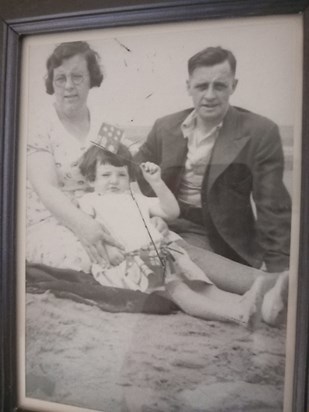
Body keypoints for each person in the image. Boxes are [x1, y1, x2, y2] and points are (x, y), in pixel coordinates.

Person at [135, 46, 291, 284]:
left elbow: (273, 209)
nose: (209, 95)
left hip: (221, 235)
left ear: (233, 86)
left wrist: (281, 271)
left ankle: (268, 285)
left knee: (172, 258)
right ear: (189, 87)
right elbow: (136, 173)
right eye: (201, 86)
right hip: (168, 222)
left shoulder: (260, 132)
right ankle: (258, 286)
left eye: (219, 85)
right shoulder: (164, 127)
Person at [77, 142, 266, 328]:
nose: (114, 180)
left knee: (203, 285)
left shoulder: (135, 198)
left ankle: (253, 306)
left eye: (121, 175)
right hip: (129, 261)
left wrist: (157, 183)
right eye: (106, 175)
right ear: (91, 179)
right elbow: (86, 231)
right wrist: (107, 250)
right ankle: (233, 313)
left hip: (162, 252)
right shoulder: (89, 201)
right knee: (179, 289)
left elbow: (171, 211)